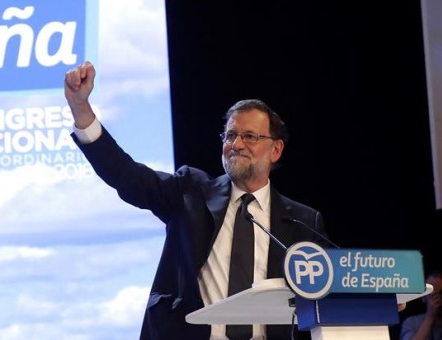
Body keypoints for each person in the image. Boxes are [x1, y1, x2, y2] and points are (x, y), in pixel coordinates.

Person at [64, 61, 330, 340]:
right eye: (230, 135)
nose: (236, 144)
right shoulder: (189, 192)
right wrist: (81, 109)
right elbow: (125, 175)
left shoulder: (302, 222)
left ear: (275, 150)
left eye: (250, 136)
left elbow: (325, 296)